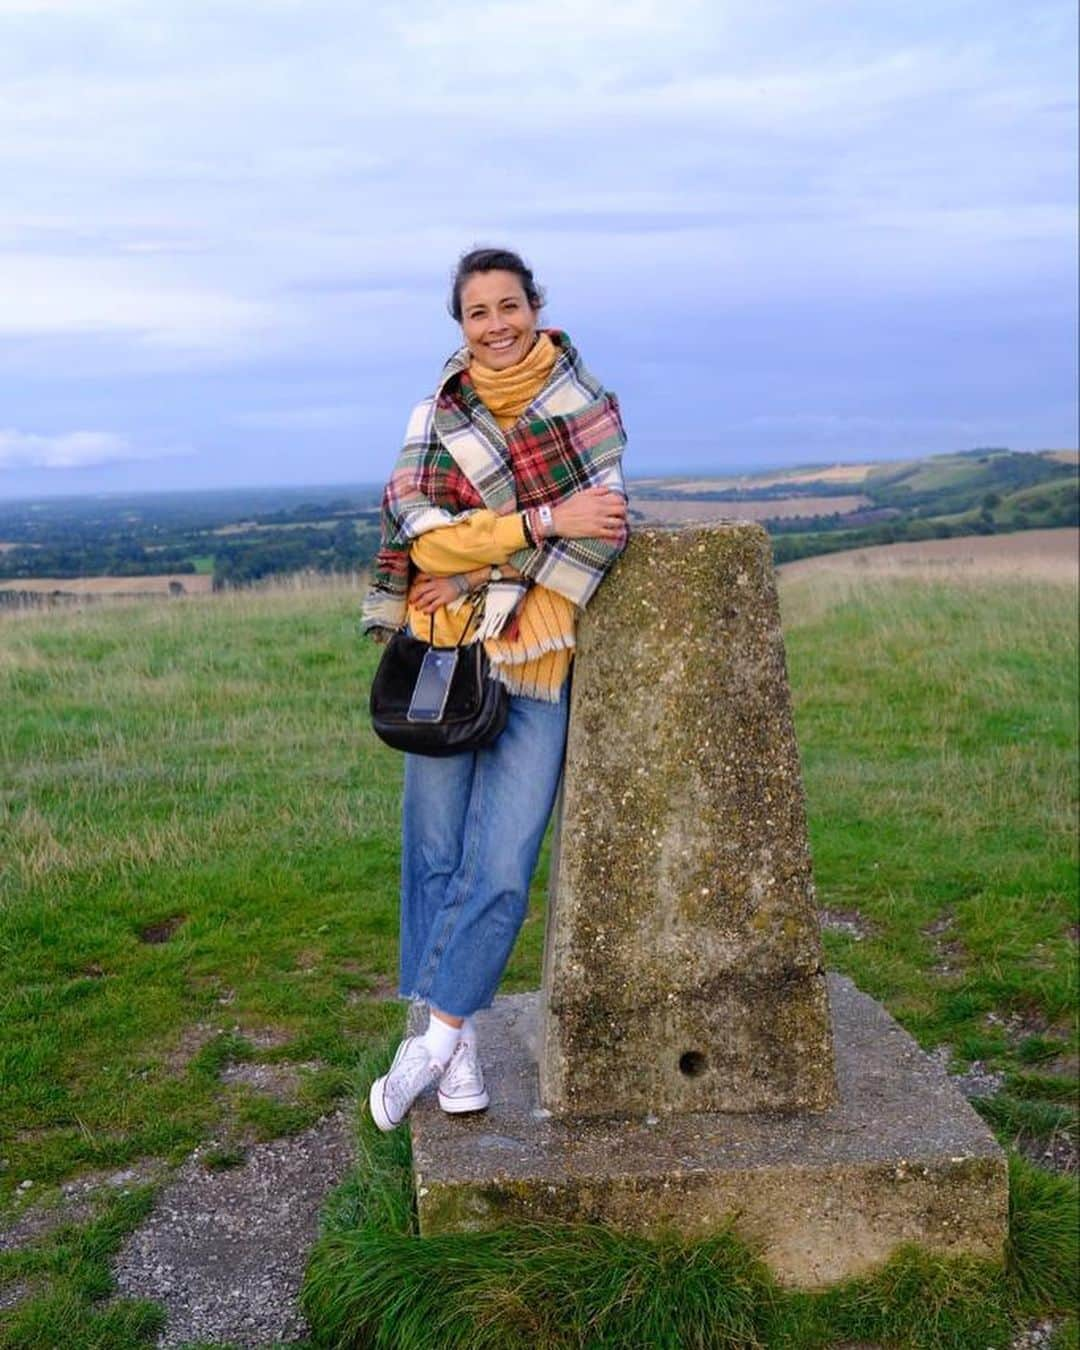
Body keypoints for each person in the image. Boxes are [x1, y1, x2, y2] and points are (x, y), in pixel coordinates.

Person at [361, 247, 628, 1132]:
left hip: (538, 660)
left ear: (536, 306)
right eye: (479, 313)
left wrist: (481, 564)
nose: (497, 325)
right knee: (435, 852)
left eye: (509, 306)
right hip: (447, 658)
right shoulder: (434, 417)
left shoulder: (585, 410)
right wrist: (539, 525)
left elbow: (604, 535)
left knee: (504, 864)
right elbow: (423, 540)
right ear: (462, 325)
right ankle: (462, 1038)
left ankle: (429, 1043)